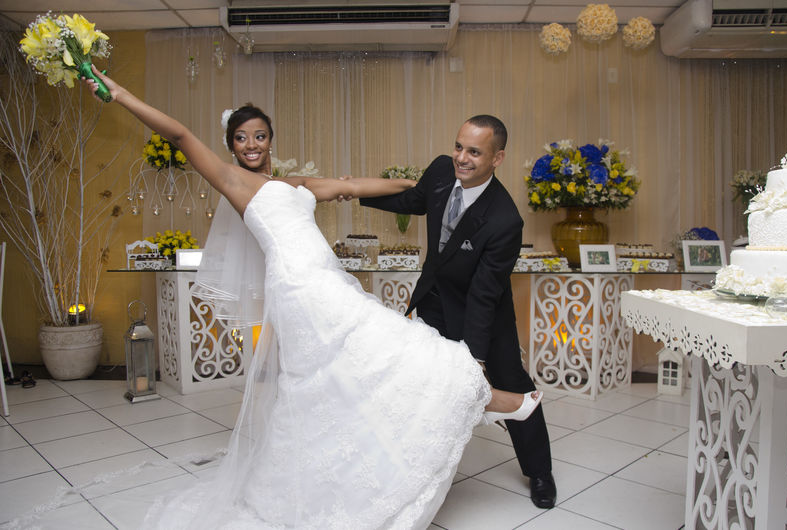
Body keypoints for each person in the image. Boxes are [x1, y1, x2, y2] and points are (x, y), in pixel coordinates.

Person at [84, 69, 543, 528]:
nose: (251, 145)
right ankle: (487, 396)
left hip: (327, 279)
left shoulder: (295, 185)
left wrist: (422, 190)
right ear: (230, 146)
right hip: (302, 288)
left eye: (260, 136)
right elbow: (180, 134)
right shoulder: (234, 183)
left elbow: (353, 187)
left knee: (344, 376)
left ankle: (377, 454)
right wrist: (120, 94)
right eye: (241, 138)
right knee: (391, 345)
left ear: (271, 140)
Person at [360, 115, 557, 509]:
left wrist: (476, 357)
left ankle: (539, 471)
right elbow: (414, 201)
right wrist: (353, 192)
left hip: (482, 314)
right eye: (459, 146)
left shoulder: (504, 220)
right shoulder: (439, 170)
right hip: (434, 301)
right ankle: (421, 469)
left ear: (497, 158)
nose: (460, 158)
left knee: (512, 384)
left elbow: (485, 294)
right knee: (429, 383)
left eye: (474, 152)